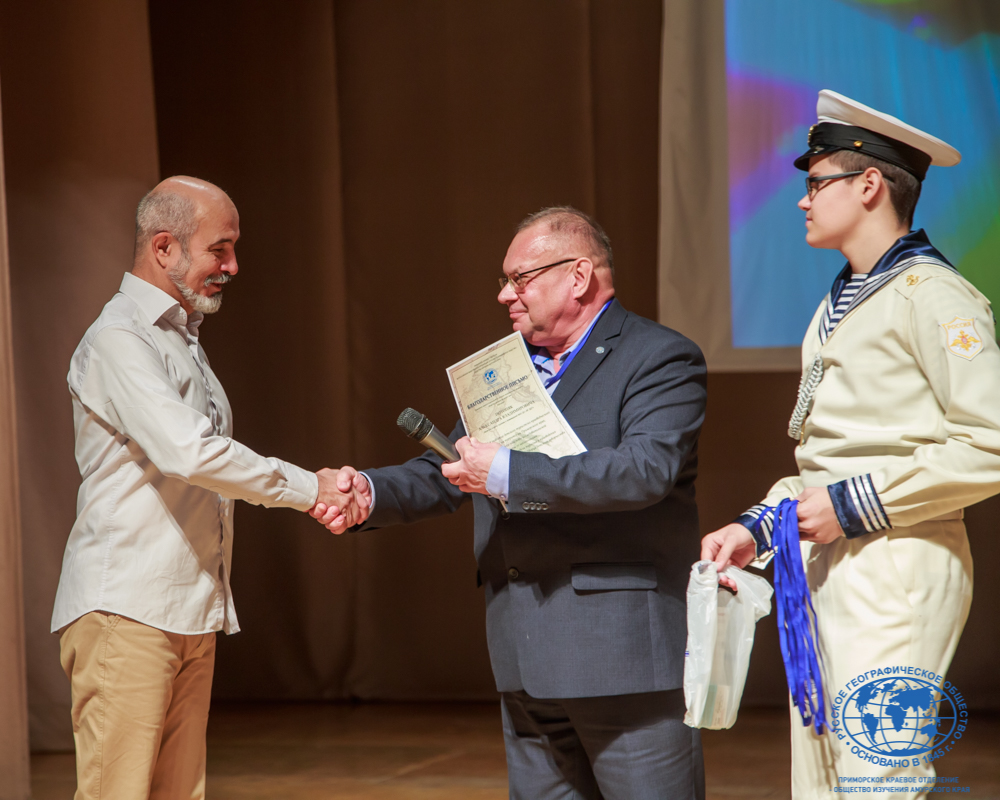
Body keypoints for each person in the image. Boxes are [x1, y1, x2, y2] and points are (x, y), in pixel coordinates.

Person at [313, 207, 707, 799]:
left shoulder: (658, 356)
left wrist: (505, 471)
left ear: (578, 276)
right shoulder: (503, 367)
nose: (504, 295)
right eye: (504, 280)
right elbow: (450, 468)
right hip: (523, 655)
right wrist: (369, 493)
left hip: (619, 660)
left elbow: (644, 470)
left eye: (519, 278)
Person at [701, 91, 1000, 797]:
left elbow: (990, 441)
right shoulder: (844, 299)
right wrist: (758, 527)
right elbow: (832, 457)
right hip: (830, 562)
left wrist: (849, 505)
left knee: (878, 777)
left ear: (868, 185)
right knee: (824, 778)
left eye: (815, 182)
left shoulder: (934, 295)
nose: (802, 200)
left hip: (896, 560)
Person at [51, 176, 369, 800]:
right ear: (163, 247)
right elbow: (191, 452)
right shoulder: (121, 337)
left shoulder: (181, 337)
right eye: (219, 250)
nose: (233, 266)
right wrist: (312, 488)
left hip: (187, 609)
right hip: (127, 610)